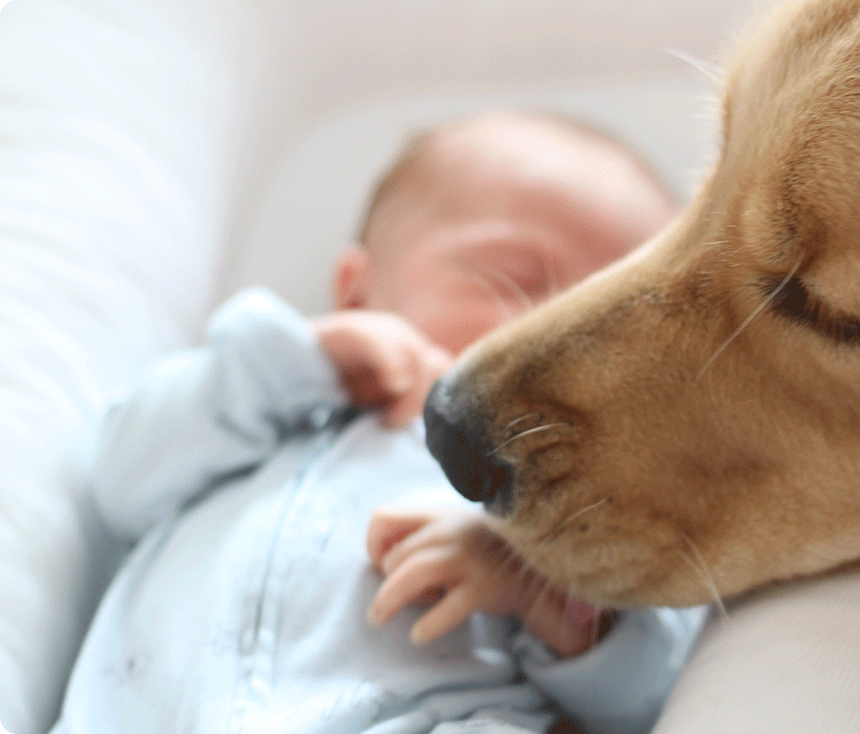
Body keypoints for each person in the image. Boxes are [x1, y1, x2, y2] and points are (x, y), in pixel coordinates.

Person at [50, 111, 700, 734]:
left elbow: (647, 694)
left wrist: (541, 576)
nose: (551, 336)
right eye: (512, 278)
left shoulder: (583, 489)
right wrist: (294, 362)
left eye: (605, 322)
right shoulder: (261, 406)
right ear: (357, 292)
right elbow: (116, 481)